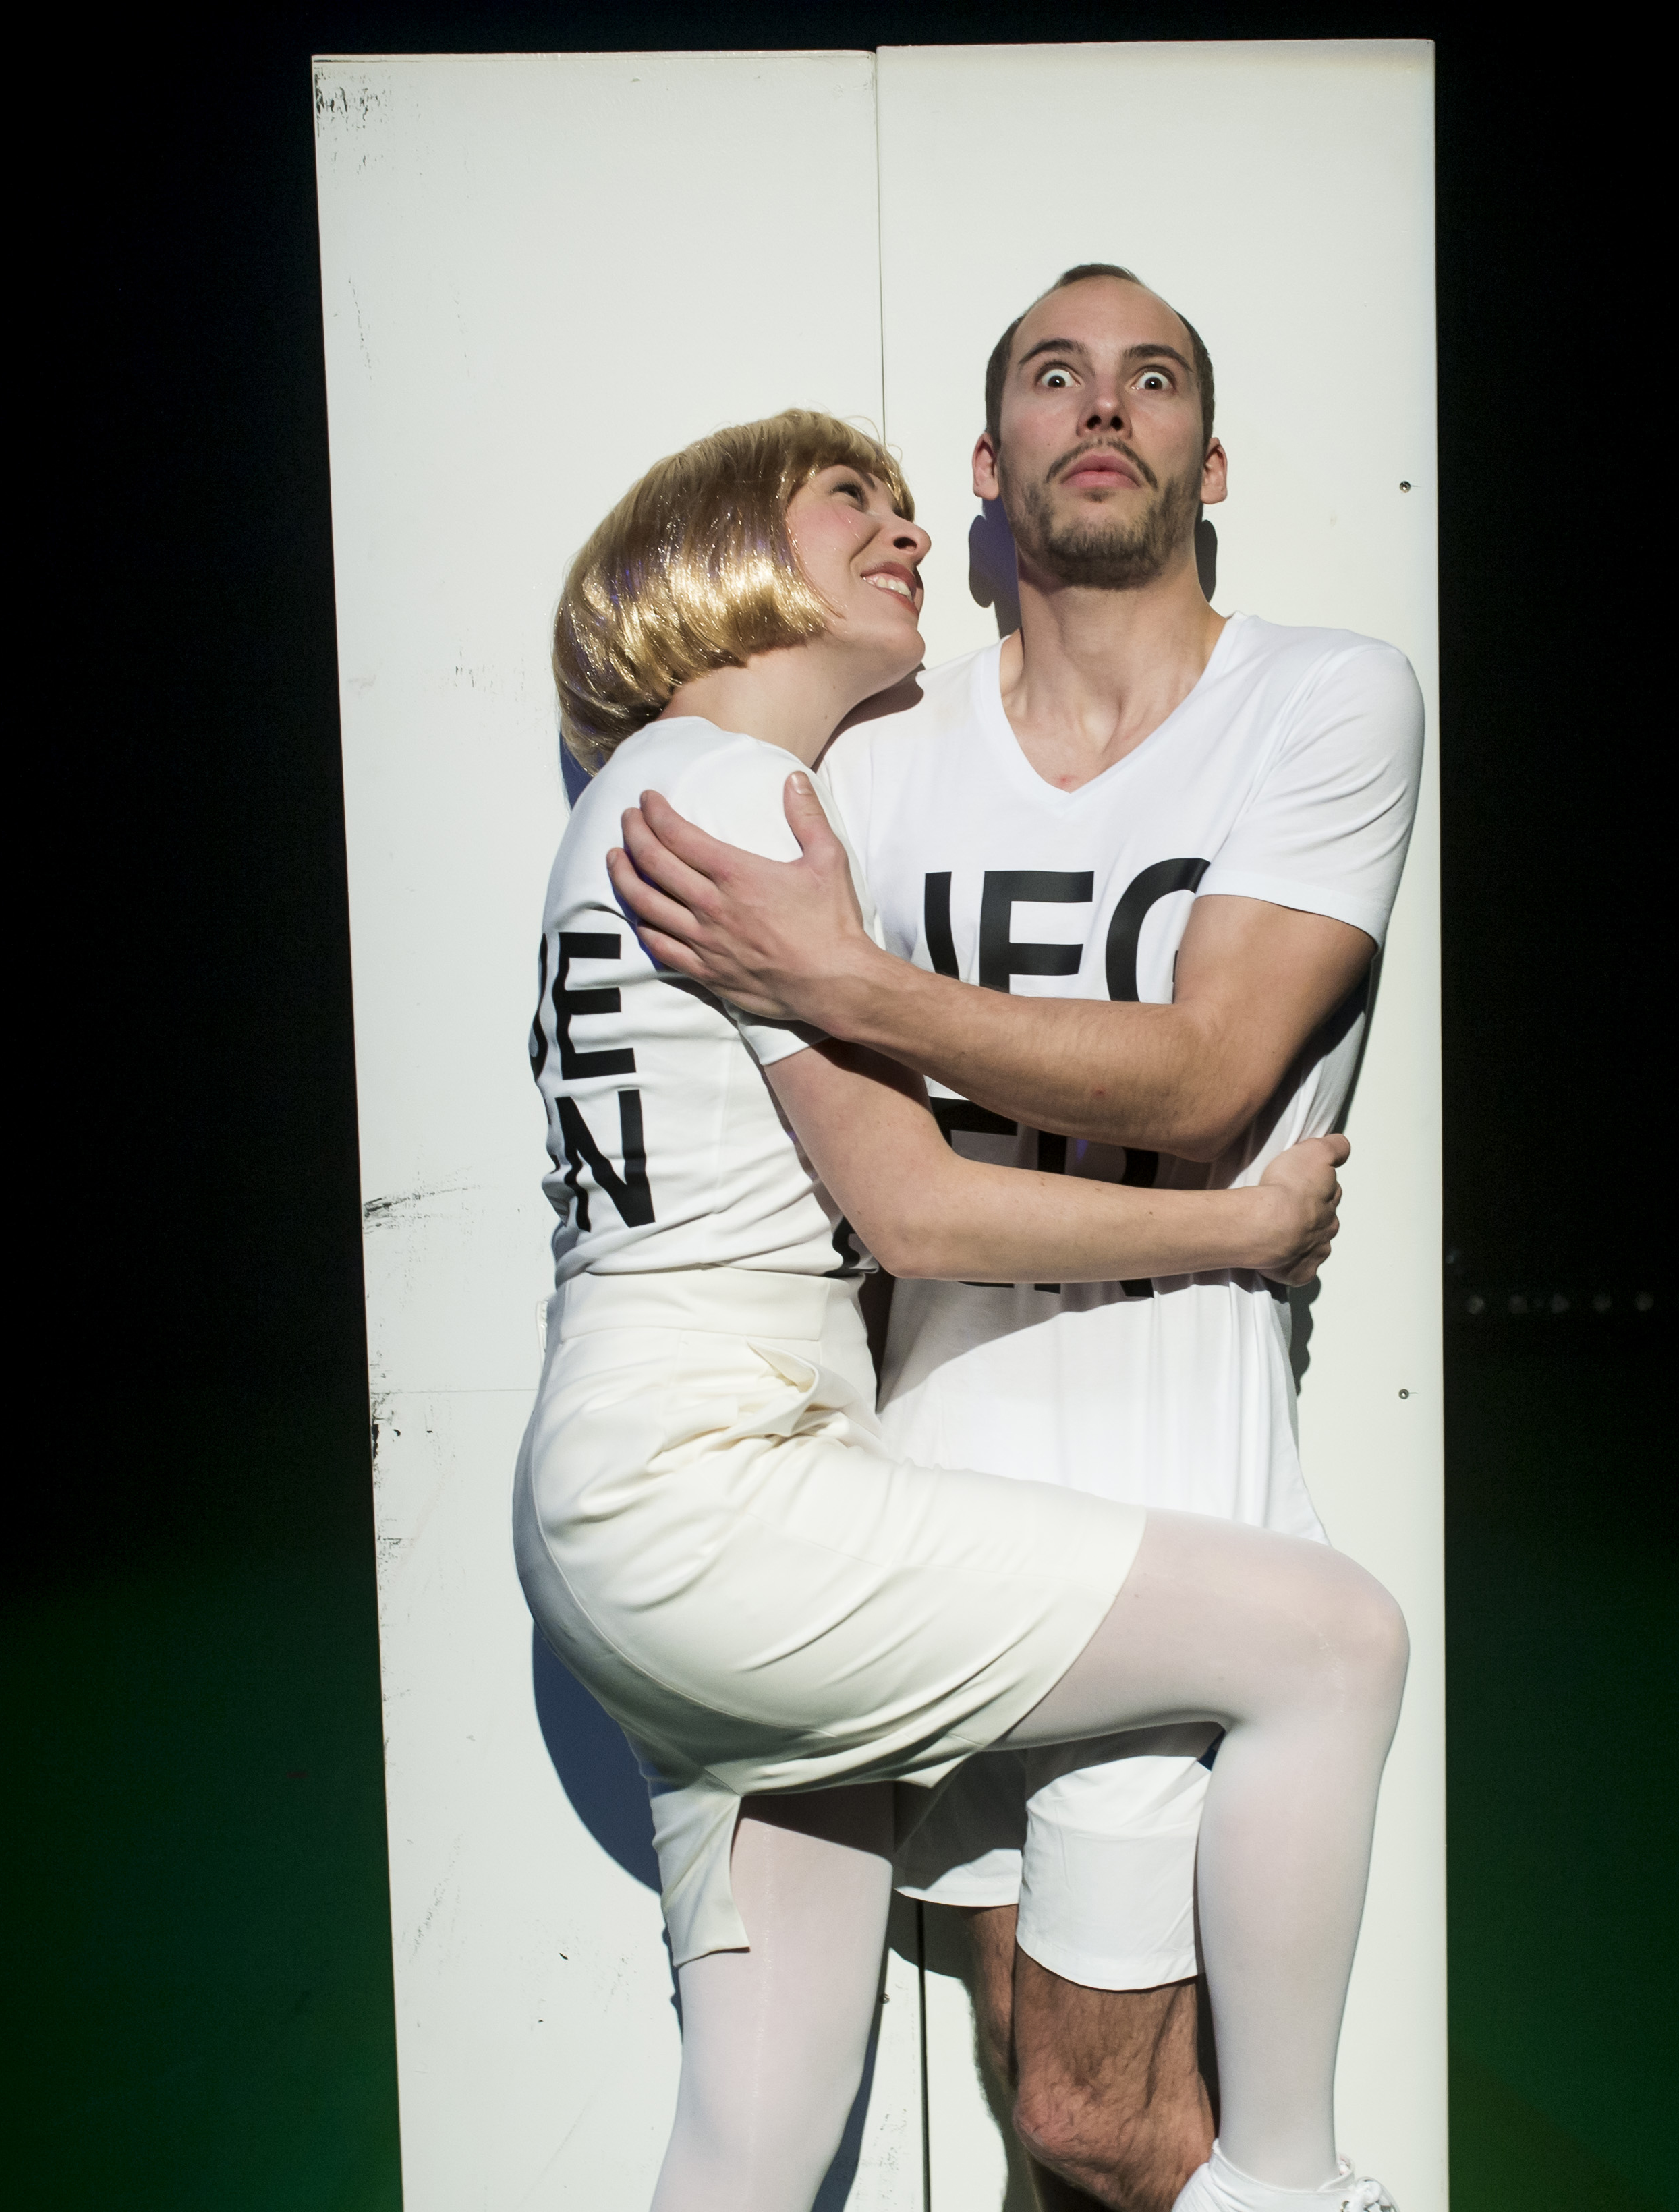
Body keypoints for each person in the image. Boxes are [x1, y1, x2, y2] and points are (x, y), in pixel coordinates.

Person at [517, 406, 1406, 2212]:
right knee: (1335, 1645)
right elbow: (913, 1209)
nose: (908, 531)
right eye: (850, 497)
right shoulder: (732, 798)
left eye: (917, 504)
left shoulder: (629, 803)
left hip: (624, 1504)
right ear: (718, 549)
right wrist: (1243, 1224)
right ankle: (1291, 2196)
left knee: (754, 2137)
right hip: (718, 1496)